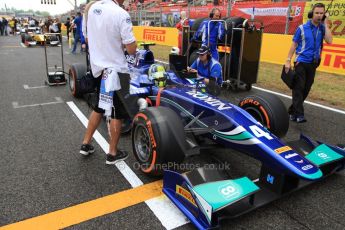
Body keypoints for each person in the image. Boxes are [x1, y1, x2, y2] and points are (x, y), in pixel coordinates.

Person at [80, 0, 137, 165]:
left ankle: (86, 143)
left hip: (98, 68)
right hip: (115, 71)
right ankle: (112, 153)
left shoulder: (89, 9)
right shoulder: (120, 13)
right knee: (116, 113)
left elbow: (87, 38)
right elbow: (131, 49)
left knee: (99, 106)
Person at [285, 2, 332, 123]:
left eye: (321, 13)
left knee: (306, 89)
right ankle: (300, 115)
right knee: (298, 87)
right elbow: (294, 44)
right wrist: (288, 60)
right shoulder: (301, 28)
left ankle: (292, 111)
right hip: (301, 61)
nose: (319, 15)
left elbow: (329, 41)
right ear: (312, 13)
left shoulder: (322, 28)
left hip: (314, 63)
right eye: (317, 13)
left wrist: (326, 24)